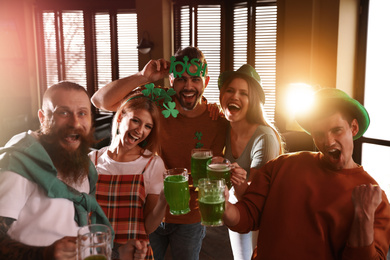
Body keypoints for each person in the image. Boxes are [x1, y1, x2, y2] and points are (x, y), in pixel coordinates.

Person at [91, 47, 243, 260]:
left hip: (190, 217)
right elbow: (99, 101)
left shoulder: (217, 118)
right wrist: (142, 76)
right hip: (148, 210)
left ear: (205, 82)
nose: (188, 86)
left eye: (195, 79)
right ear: (171, 80)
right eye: (181, 79)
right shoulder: (156, 102)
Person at [223, 88, 390, 259]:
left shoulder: (373, 198)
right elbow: (248, 216)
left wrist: (363, 218)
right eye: (319, 134)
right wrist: (221, 204)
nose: (328, 141)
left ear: (353, 127)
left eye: (336, 130)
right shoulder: (281, 166)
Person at [0, 81, 147, 260]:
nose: (75, 122)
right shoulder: (17, 164)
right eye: (63, 112)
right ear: (43, 118)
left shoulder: (82, 164)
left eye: (82, 113)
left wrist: (118, 253)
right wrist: (44, 254)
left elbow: (75, 230)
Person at [89, 89, 167, 259]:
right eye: (135, 121)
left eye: (148, 126)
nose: (140, 130)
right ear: (119, 117)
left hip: (134, 254)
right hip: (96, 252)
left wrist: (163, 201)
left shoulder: (152, 164)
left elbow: (148, 227)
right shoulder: (92, 160)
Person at [218, 64, 284, 260]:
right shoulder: (224, 127)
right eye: (230, 90)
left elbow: (256, 199)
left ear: (253, 100)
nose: (235, 96)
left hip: (264, 215)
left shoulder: (264, 137)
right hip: (237, 207)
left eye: (243, 93)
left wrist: (237, 182)